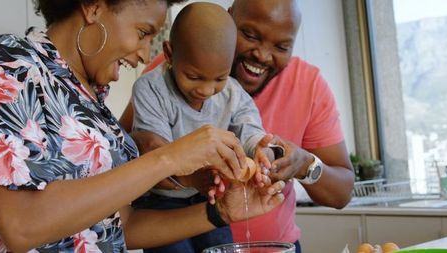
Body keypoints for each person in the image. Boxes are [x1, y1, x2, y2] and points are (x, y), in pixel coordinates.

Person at [0, 0, 287, 252]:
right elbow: (20, 226)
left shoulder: (92, 102)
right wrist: (169, 158)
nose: (142, 55)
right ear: (93, 7)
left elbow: (121, 227)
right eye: (143, 33)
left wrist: (221, 212)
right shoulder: (13, 62)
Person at [119, 0, 355, 252]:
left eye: (281, 46)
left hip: (261, 236)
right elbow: (135, 155)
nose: (206, 90)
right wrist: (189, 174)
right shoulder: (164, 75)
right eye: (251, 35)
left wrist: (277, 155)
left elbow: (253, 134)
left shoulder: (248, 91)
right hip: (172, 210)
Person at [129, 3, 274, 253]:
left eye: (219, 78)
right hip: (159, 202)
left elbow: (249, 129)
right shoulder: (151, 89)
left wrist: (261, 151)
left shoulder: (232, 92)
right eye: (194, 77)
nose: (206, 90)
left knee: (224, 248)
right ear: (170, 53)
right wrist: (190, 176)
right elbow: (154, 154)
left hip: (207, 197)